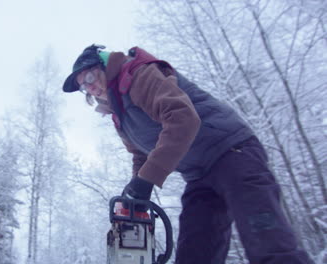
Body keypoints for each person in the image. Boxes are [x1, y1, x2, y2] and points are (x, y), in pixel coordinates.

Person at [62, 44, 314, 264]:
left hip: (233, 153)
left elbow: (183, 118)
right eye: (83, 85)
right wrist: (136, 187)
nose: (89, 86)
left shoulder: (138, 76)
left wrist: (148, 178)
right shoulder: (119, 115)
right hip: (199, 175)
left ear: (105, 65)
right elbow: (140, 155)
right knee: (195, 253)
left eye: (91, 76)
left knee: (268, 245)